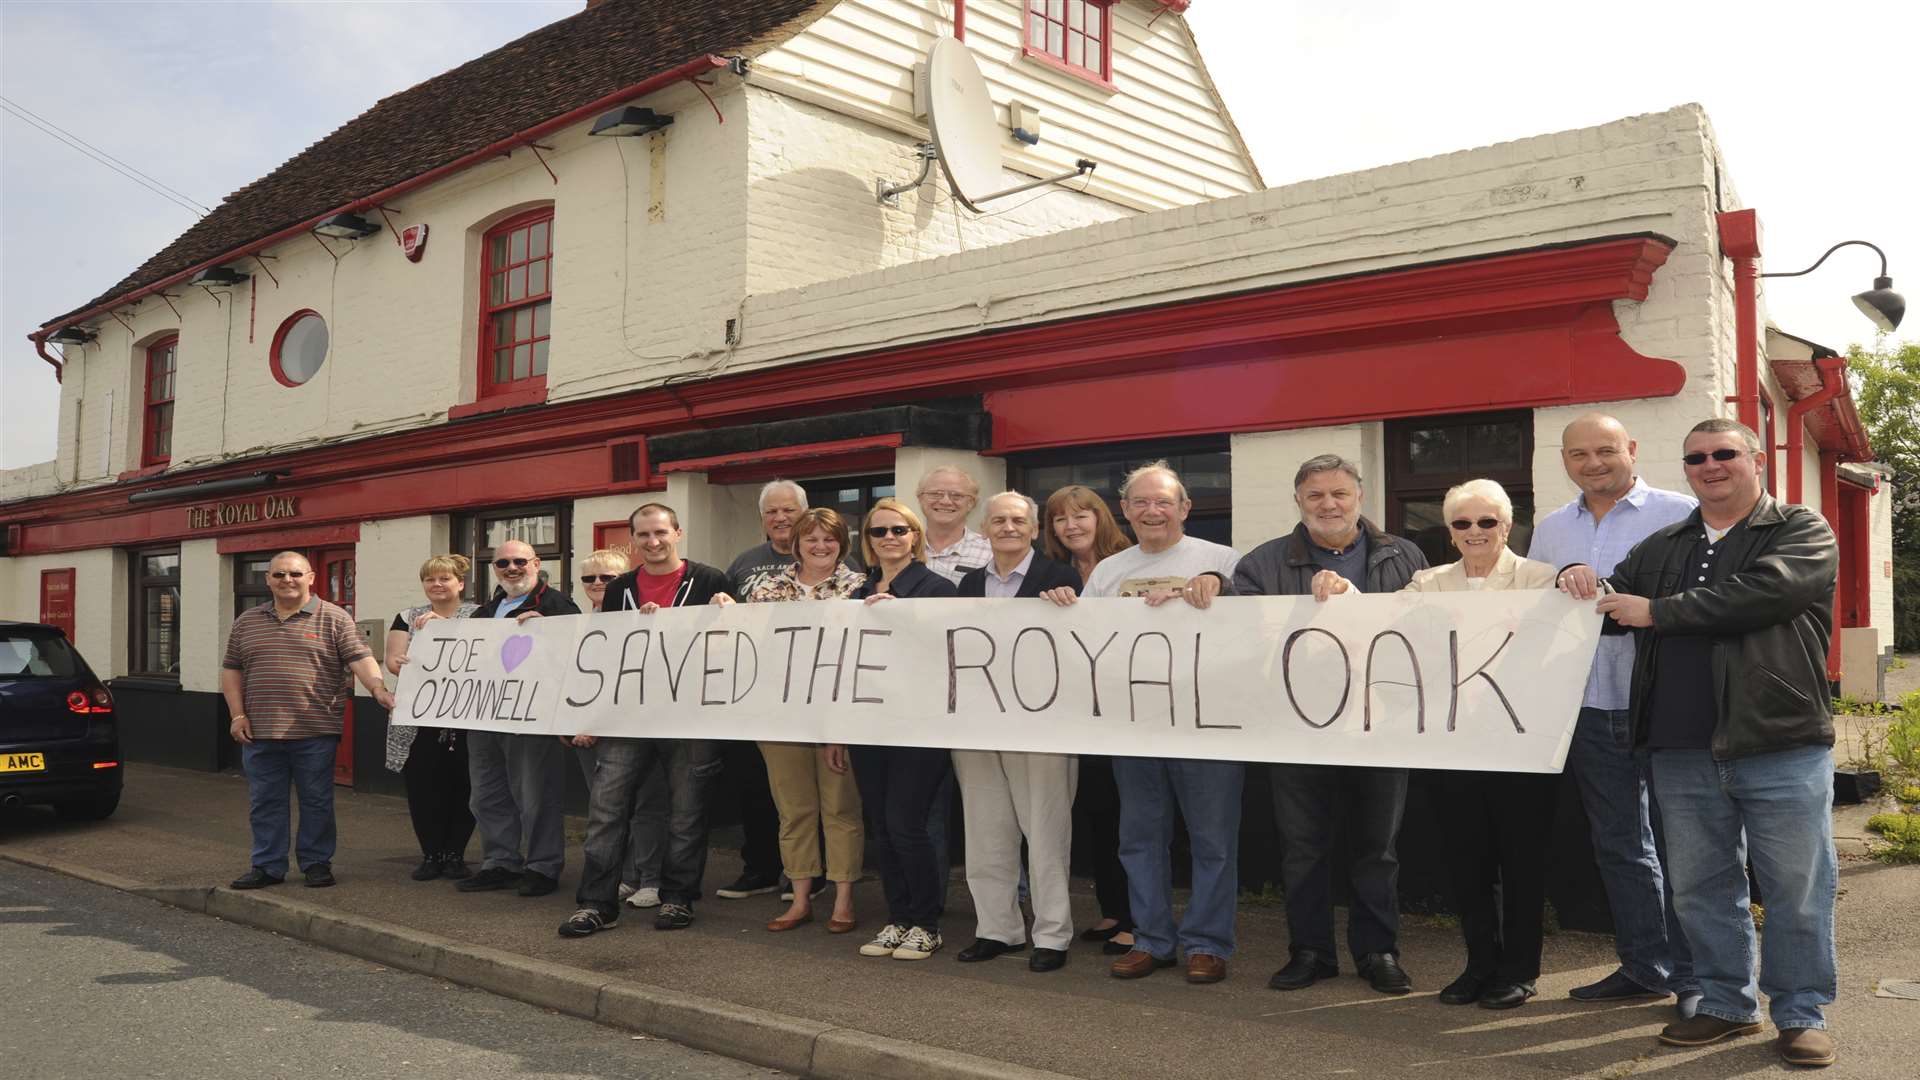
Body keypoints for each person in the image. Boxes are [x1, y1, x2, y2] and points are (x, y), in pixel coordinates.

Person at [1565, 419, 1840, 1068]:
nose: (1710, 465)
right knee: (1700, 889)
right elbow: (1611, 604)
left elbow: (1762, 595)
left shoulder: (1800, 529)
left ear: (1755, 462)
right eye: (1697, 457)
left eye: (1725, 454)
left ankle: (1801, 1015)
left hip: (1780, 742)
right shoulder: (1664, 546)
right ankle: (1725, 1005)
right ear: (1685, 469)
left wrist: (1656, 611)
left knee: (1797, 889)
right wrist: (1575, 582)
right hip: (1679, 747)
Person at [1320, 479, 1558, 1008]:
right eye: (1462, 523)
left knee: (1520, 862)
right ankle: (1479, 965)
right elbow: (1382, 621)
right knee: (1466, 860)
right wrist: (1344, 593)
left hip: (1521, 742)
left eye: (1487, 522)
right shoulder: (1428, 583)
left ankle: (1518, 970)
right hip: (1451, 743)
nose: (1475, 532)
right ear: (1450, 533)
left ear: (1507, 525)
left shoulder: (1541, 579)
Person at [1225, 454, 1426, 996]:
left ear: (1360, 497)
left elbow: (1426, 633)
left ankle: (1377, 950)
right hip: (1297, 728)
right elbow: (1243, 641)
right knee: (1303, 848)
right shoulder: (1261, 563)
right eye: (1315, 495)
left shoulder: (1403, 554)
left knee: (1377, 848)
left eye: (1339, 493)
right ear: (1298, 501)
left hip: (1381, 726)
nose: (1328, 504)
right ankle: (1310, 951)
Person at [1044, 462, 1243, 985]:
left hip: (1208, 726)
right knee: (1139, 838)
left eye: (1163, 502)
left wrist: (1218, 585)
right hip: (1134, 727)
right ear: (1126, 511)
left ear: (1184, 508)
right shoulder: (1110, 572)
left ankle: (1207, 943)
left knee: (1213, 841)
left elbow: (1255, 628)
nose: (1152, 511)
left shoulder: (1223, 560)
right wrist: (1060, 607)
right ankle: (1153, 939)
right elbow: (1085, 646)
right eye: (1141, 503)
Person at [1529, 413, 1699, 1013]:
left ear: (1631, 448)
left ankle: (1699, 977)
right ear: (1564, 461)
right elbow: (1536, 610)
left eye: (1605, 450)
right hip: (1589, 706)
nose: (1593, 463)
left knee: (1689, 845)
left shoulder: (1683, 513)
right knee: (1621, 845)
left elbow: (1706, 600)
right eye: (1579, 455)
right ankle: (1645, 966)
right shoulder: (1549, 530)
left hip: (1669, 705)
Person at [560, 503, 735, 938]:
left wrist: (732, 614)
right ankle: (597, 904)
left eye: (660, 532)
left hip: (690, 716)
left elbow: (736, 647)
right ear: (633, 540)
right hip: (629, 716)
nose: (653, 542)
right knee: (606, 809)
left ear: (678, 532)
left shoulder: (711, 580)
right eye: (643, 535)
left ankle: (678, 898)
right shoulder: (620, 588)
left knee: (687, 812)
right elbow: (607, 653)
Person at [951, 491, 1084, 973]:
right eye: (999, 520)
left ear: (1034, 530)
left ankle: (1052, 935)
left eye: (1018, 520)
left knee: (1046, 833)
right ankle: (997, 930)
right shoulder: (966, 584)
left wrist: (1070, 607)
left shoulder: (1061, 578)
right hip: (979, 727)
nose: (1008, 527)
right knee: (985, 834)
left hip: (1040, 728)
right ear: (984, 530)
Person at [222, 550, 394, 890]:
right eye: (280, 574)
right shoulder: (247, 621)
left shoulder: (335, 618)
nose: (288, 580)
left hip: (315, 730)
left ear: (311, 578)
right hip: (260, 730)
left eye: (296, 574)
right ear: (268, 579)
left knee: (316, 801)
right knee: (265, 803)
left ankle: (316, 863)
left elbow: (361, 658)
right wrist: (237, 715)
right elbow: (231, 671)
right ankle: (267, 866)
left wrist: (377, 688)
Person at [745, 507, 868, 935]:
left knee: (840, 808)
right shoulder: (768, 588)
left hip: (838, 715)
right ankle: (799, 899)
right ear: (796, 542)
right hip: (781, 716)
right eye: (811, 538)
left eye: (830, 539)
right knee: (794, 810)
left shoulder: (858, 588)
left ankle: (843, 900)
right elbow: (748, 644)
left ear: (843, 544)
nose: (820, 546)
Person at [850, 497, 959, 962]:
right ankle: (897, 917)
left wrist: (902, 616)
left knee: (908, 824)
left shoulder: (939, 588)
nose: (889, 539)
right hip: (868, 726)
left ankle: (926, 922)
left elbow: (948, 652)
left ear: (914, 535)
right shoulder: (857, 592)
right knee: (883, 828)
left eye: (899, 530)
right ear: (868, 541)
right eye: (879, 532)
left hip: (920, 727)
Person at [1043, 485, 1137, 955]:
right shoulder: (1052, 572)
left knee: (1131, 816)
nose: (1072, 525)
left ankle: (1139, 917)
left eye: (1082, 515)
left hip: (1129, 709)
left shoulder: (1129, 561)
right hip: (1075, 714)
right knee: (1098, 813)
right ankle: (1113, 908)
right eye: (1061, 519)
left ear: (1102, 518)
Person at [460, 539, 580, 898]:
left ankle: (543, 867)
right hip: (485, 717)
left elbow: (578, 654)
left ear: (536, 563)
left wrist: (547, 631)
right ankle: (500, 862)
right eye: (502, 563)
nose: (512, 568)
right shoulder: (485, 610)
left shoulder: (558, 605)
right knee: (486, 795)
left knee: (536, 795)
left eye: (519, 561)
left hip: (533, 717)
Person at [717, 479, 811, 901]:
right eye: (772, 511)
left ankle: (807, 872)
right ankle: (760, 866)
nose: (780, 518)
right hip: (752, 692)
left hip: (808, 693)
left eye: (788, 510)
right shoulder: (743, 563)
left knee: (805, 790)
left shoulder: (830, 555)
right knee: (753, 784)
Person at [572, 546, 668, 911]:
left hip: (636, 725)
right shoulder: (575, 623)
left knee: (647, 804)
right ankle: (624, 875)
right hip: (587, 731)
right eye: (589, 578)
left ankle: (651, 878)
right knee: (606, 810)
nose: (597, 584)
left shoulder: (641, 618)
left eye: (607, 578)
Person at [383, 554, 480, 882]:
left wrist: (443, 630)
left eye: (444, 579)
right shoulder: (407, 616)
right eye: (430, 579)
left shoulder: (479, 615)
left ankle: (455, 854)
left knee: (464, 786)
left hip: (464, 716)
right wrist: (422, 640)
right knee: (424, 788)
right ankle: (431, 854)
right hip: (419, 718)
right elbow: (394, 663)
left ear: (460, 583)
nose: (437, 585)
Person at [918, 466, 992, 585]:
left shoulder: (991, 553)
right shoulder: (902, 548)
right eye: (935, 494)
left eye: (956, 496)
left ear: (971, 503)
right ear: (920, 499)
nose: (945, 501)